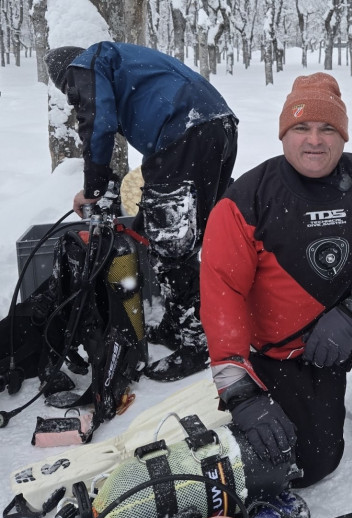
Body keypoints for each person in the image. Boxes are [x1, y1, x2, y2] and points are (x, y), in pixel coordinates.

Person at [199, 72, 352, 488]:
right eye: (301, 127)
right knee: (310, 467)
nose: (314, 140)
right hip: (286, 351)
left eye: (328, 128)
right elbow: (222, 295)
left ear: (343, 135)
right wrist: (240, 394)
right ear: (284, 134)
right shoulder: (246, 200)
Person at [44, 42, 238, 381]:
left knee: (171, 244)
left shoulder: (85, 64)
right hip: (216, 126)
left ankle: (197, 344)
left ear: (68, 76)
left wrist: (92, 188)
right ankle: (177, 324)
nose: (74, 100)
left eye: (71, 95)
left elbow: (96, 122)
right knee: (167, 232)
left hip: (185, 131)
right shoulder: (118, 61)